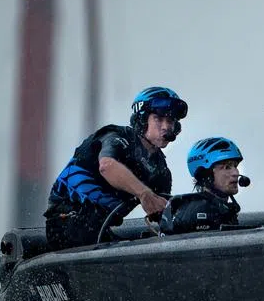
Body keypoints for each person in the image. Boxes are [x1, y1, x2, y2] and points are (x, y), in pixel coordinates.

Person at [43, 86, 187, 251]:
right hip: (65, 224)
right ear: (142, 119)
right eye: (159, 119)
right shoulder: (117, 136)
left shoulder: (161, 171)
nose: (166, 127)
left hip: (100, 232)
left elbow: (166, 215)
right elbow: (107, 166)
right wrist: (144, 193)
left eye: (170, 121)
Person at [161, 137, 245, 234]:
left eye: (235, 166)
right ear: (205, 174)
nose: (235, 173)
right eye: (227, 167)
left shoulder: (221, 209)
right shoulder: (199, 211)